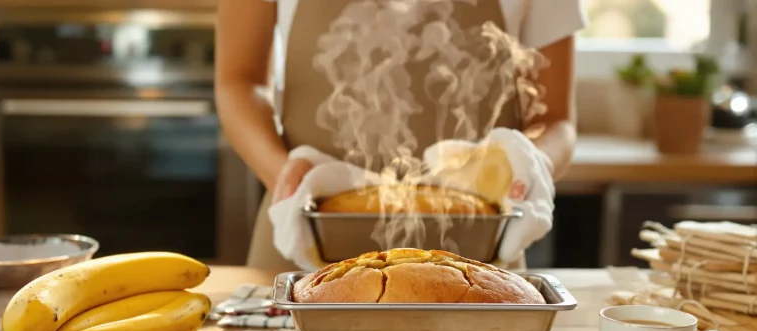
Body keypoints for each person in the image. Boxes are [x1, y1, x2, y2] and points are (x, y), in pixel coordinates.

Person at [215, 0, 586, 272]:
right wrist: (282, 174)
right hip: (303, 241)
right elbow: (239, 82)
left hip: (478, 256)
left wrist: (531, 163)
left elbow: (554, 120)